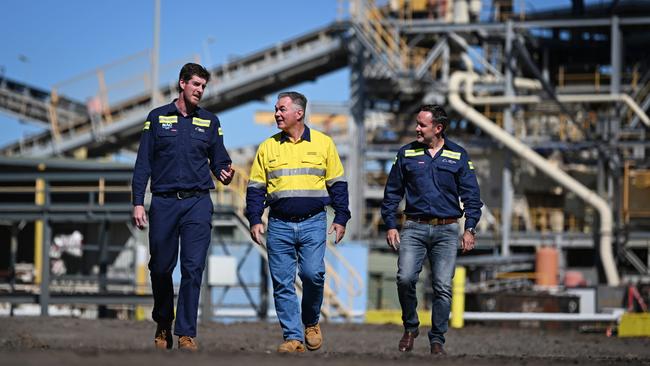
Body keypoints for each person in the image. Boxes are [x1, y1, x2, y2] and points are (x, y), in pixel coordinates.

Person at [132, 63, 234, 351]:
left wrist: (225, 171)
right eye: (196, 85)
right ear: (182, 84)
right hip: (163, 202)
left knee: (193, 268)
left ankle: (186, 333)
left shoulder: (210, 122)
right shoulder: (156, 118)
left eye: (203, 86)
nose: (200, 90)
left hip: (198, 203)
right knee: (161, 267)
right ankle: (163, 321)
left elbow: (219, 159)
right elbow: (143, 164)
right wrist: (138, 202)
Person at [245, 91, 350, 353]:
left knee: (313, 274)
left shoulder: (324, 144)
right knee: (282, 283)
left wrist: (341, 217)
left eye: (282, 109)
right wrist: (255, 219)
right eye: (276, 109)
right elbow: (256, 187)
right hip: (278, 224)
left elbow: (337, 184)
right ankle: (293, 337)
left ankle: (311, 322)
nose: (277, 114)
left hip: (314, 222)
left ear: (299, 113)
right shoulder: (268, 146)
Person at [381, 104, 482, 355]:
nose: (416, 128)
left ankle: (437, 339)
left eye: (422, 125)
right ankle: (411, 327)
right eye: (417, 123)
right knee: (405, 279)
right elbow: (392, 193)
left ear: (438, 128)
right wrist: (391, 225)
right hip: (413, 228)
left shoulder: (459, 155)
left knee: (442, 286)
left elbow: (472, 196)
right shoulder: (406, 154)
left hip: (447, 231)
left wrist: (469, 229)